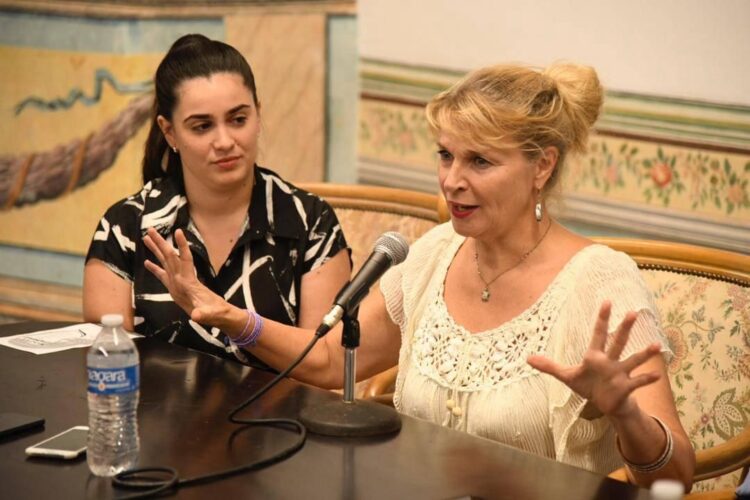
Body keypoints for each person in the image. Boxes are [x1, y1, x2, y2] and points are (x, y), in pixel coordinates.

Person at [141, 62, 695, 488]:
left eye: (479, 162)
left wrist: (625, 416)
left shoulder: (600, 282)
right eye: (445, 156)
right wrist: (233, 318)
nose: (451, 180)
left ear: (542, 166)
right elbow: (333, 362)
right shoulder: (435, 253)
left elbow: (674, 480)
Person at [83, 34, 351, 369]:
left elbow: (324, 363)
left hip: (276, 420)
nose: (225, 141)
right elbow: (108, 369)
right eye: (202, 126)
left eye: (238, 120)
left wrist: (235, 322)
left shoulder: (309, 222)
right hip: (154, 419)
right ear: (169, 133)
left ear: (258, 115)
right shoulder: (126, 226)